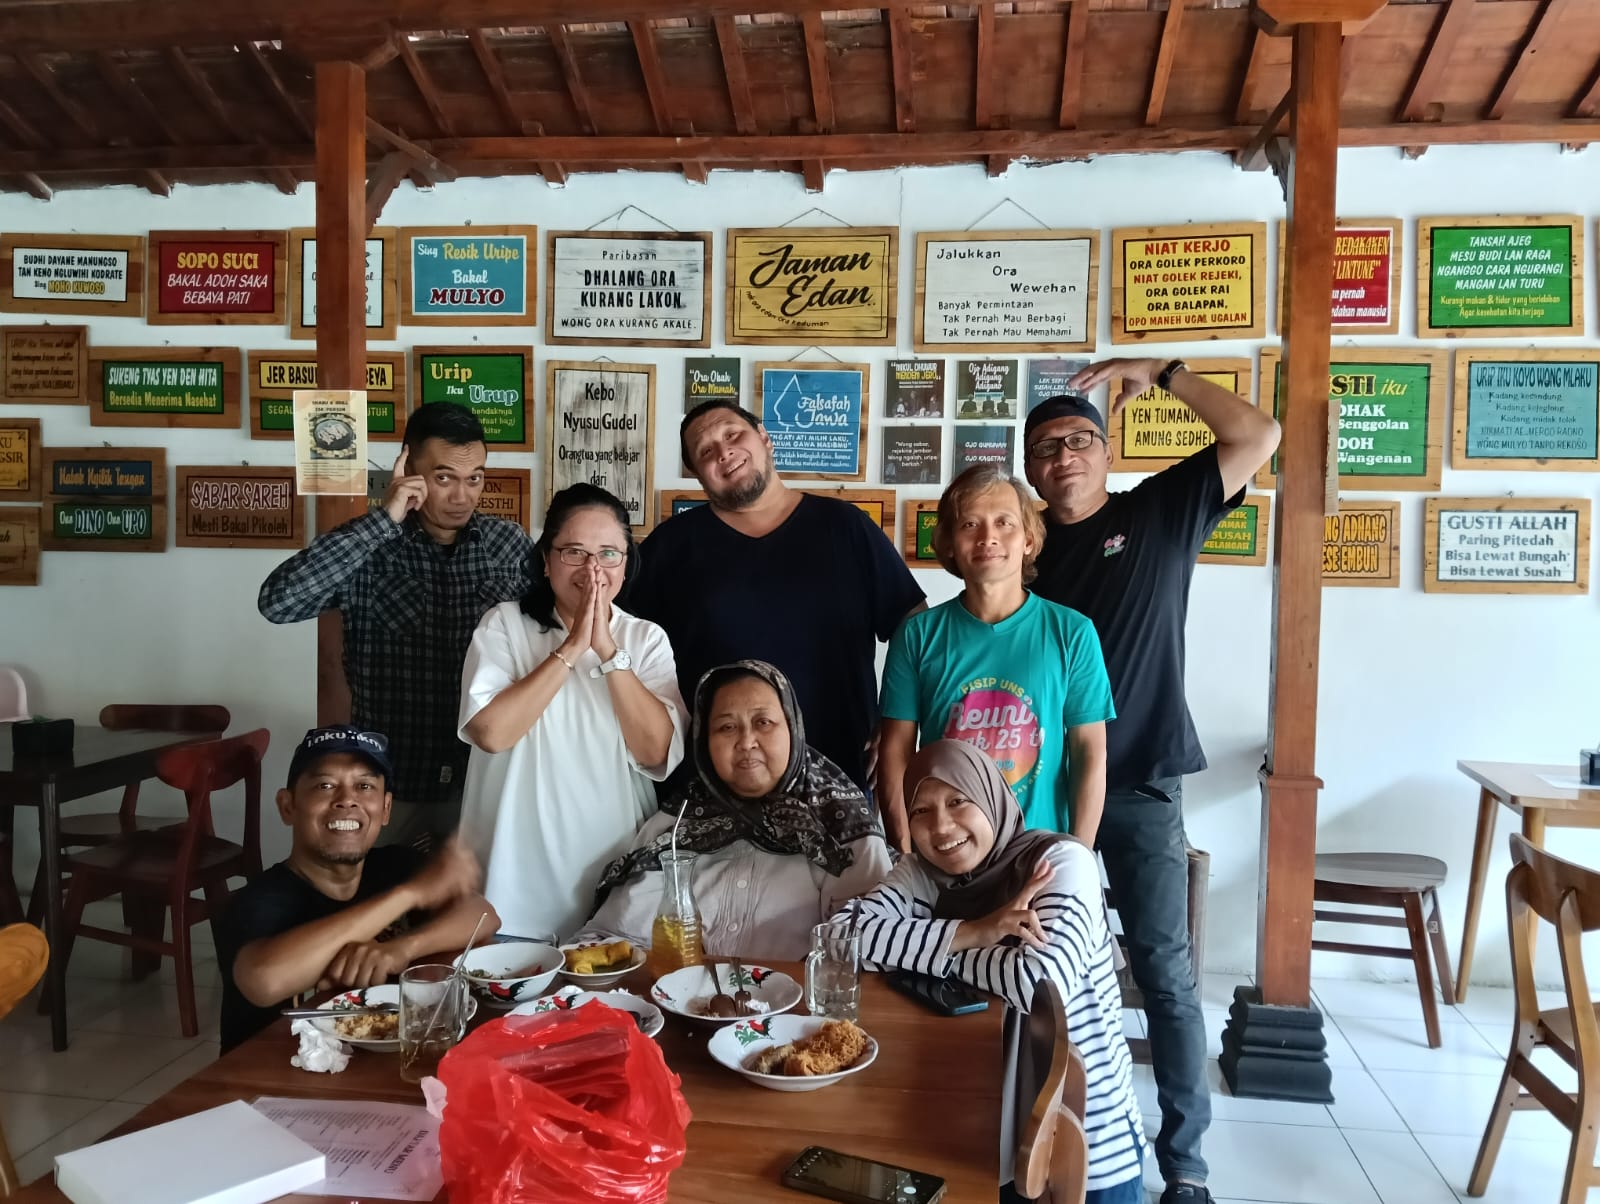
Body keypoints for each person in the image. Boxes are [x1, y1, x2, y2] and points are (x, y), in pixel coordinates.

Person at [1023, 358, 1281, 1204]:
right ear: (1030, 469)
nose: (1064, 456)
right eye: (1046, 447)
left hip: (1141, 789)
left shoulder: (1160, 512)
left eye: (1079, 440)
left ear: (1106, 453)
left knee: (1166, 976)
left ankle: (1186, 1166)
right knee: (1037, 971)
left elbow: (1259, 434)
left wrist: (1165, 372)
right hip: (1042, 797)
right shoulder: (1021, 551)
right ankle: (1039, 1142)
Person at [843, 741, 1144, 1204]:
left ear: (990, 796)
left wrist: (937, 951)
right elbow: (842, 938)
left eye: (958, 801)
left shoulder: (1060, 864)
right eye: (920, 811)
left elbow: (1038, 984)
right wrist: (975, 931)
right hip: (978, 1127)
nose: (941, 827)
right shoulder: (924, 873)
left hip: (1081, 1138)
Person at [258, 402, 531, 850]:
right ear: (408, 469)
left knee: (476, 895)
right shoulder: (369, 547)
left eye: (474, 478)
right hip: (390, 784)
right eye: (444, 478)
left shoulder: (509, 545)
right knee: (381, 893)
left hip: (480, 779)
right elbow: (278, 602)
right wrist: (383, 520)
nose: (462, 497)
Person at [628, 398, 924, 792]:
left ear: (764, 438)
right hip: (711, 783)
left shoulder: (845, 527)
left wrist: (897, 721)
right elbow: (626, 644)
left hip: (836, 773)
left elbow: (913, 628)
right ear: (697, 474)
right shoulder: (669, 547)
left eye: (732, 434)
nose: (723, 452)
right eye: (706, 451)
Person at [458, 483, 686, 941]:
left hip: (614, 880)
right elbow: (491, 734)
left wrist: (607, 649)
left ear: (627, 563)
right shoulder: (504, 625)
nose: (592, 569)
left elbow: (656, 752)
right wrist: (573, 646)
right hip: (509, 883)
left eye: (608, 554)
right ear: (546, 560)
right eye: (574, 552)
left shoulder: (646, 639)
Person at [215, 725, 498, 1053]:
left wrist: (402, 949)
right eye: (325, 785)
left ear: (386, 808)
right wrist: (408, 895)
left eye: (364, 786)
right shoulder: (258, 900)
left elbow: (483, 915)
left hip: (368, 1064)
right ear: (287, 806)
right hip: (268, 1073)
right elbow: (263, 980)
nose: (347, 799)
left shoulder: (395, 865)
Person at [876, 465, 1114, 852]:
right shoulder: (917, 636)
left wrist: (1078, 858)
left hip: (1039, 853)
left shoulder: (1072, 633)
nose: (988, 537)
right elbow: (895, 752)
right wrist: (904, 853)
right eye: (970, 524)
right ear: (949, 543)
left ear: (1028, 540)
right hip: (946, 853)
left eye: (1004, 522)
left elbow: (1089, 752)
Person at [591, 660, 891, 961]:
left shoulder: (839, 824)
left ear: (793, 728)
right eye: (727, 727)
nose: (746, 742)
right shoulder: (678, 822)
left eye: (763, 722)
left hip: (800, 992)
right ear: (705, 741)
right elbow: (611, 939)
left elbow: (861, 955)